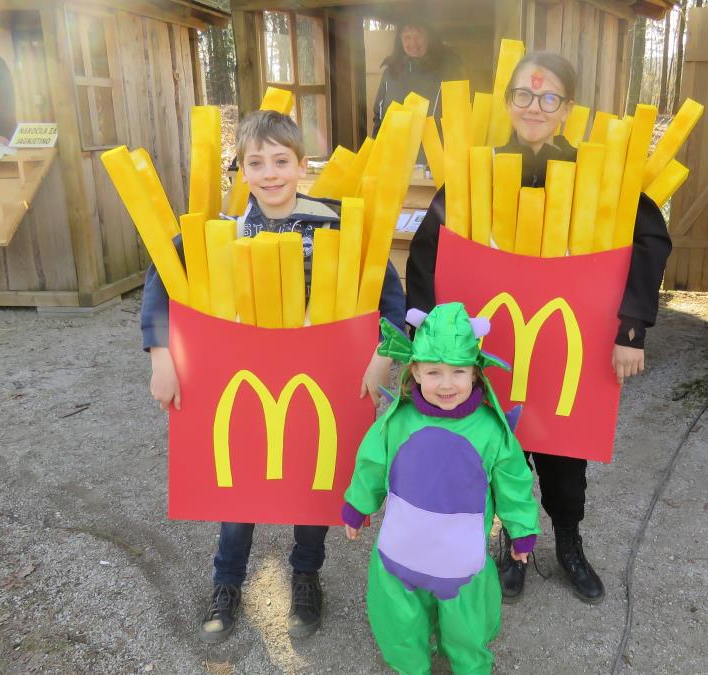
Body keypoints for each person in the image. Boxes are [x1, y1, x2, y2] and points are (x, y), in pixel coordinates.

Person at [405, 51, 673, 605]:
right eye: (524, 95)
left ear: (567, 108)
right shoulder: (476, 172)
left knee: (564, 458)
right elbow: (431, 248)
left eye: (549, 97)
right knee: (500, 452)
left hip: (566, 345)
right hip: (494, 342)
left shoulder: (597, 172)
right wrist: (429, 335)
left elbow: (650, 238)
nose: (535, 106)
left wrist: (632, 327)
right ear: (508, 103)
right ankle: (513, 546)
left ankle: (569, 542)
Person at [140, 110, 406, 643]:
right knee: (239, 485)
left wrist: (386, 352)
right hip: (240, 377)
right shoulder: (224, 229)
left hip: (323, 377)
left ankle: (306, 576)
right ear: (242, 171)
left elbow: (389, 291)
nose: (269, 173)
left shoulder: (336, 222)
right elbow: (161, 281)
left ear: (302, 165)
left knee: (314, 480)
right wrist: (160, 355)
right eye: (256, 163)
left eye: (281, 161)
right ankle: (227, 581)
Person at [342, 302, 540, 674]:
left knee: (467, 630)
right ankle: (411, 667)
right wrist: (358, 504)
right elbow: (372, 462)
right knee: (400, 626)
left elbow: (514, 481)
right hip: (400, 557)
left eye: (458, 372)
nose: (446, 384)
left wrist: (521, 529)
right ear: (415, 371)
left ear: (475, 373)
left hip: (461, 562)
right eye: (433, 372)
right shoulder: (397, 421)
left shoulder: (490, 430)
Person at [372, 20, 463, 135]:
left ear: (429, 38)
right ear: (400, 40)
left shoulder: (448, 70)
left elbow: (459, 116)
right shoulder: (390, 73)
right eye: (407, 37)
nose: (413, 43)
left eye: (418, 36)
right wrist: (376, 142)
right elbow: (379, 116)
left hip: (434, 145)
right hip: (395, 144)